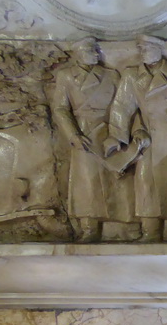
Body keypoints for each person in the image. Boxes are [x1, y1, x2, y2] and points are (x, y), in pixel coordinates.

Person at [106, 35, 167, 242]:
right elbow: (122, 107)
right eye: (141, 49)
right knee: (146, 185)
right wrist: (118, 136)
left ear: (159, 49)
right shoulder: (131, 76)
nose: (143, 52)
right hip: (148, 141)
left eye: (147, 48)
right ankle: (150, 231)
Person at [50, 37, 132, 241]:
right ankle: (89, 227)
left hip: (110, 130)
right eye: (90, 52)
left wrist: (119, 133)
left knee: (118, 177)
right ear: (78, 54)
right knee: (86, 181)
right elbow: (60, 108)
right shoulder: (66, 76)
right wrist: (73, 134)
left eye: (96, 51)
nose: (96, 55)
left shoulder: (111, 75)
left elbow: (123, 104)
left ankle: (128, 225)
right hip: (84, 133)